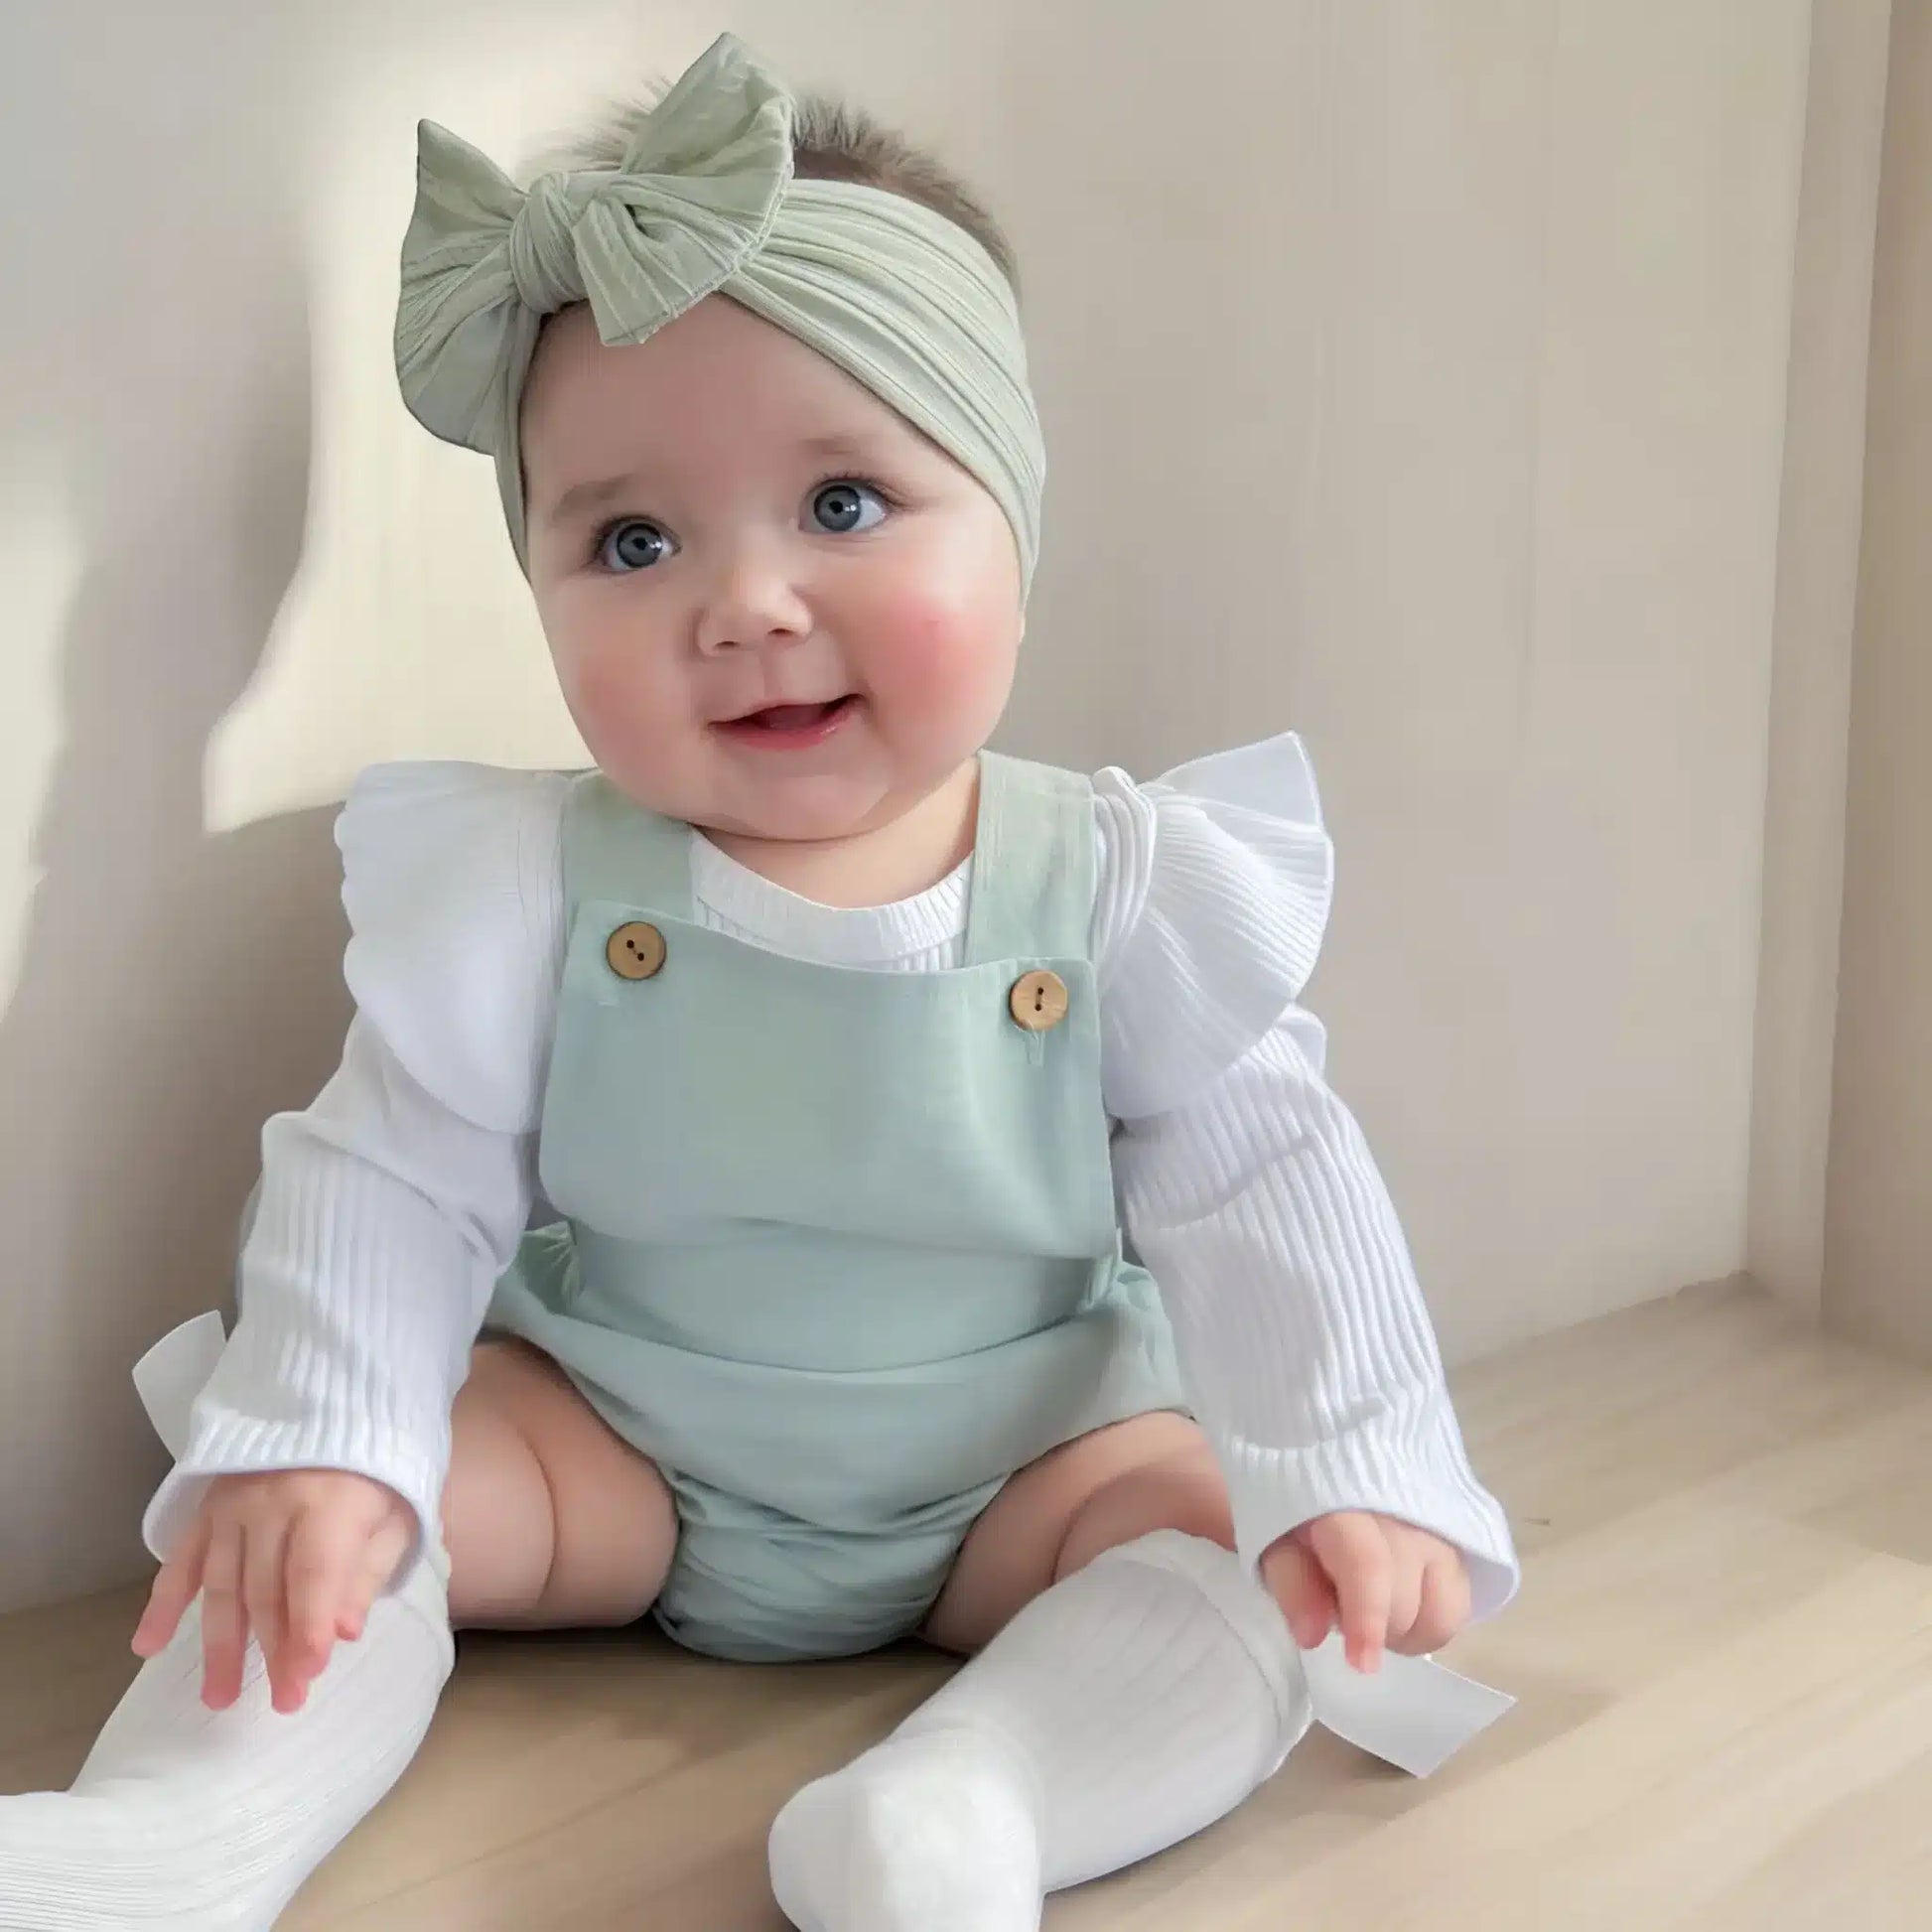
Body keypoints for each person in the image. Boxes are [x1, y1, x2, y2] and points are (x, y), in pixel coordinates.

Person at [0, 34, 1516, 1931]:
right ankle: (176, 1834)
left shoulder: (1117, 887)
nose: (742, 604)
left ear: (1013, 521)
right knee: (347, 1508)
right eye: (632, 540)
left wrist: (1351, 1465)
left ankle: (969, 1813)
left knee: (1228, 1550)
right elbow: (389, 1176)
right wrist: (323, 1430)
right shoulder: (531, 886)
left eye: (845, 504)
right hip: (612, 1456)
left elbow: (1268, 1187)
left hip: (1024, 1473)